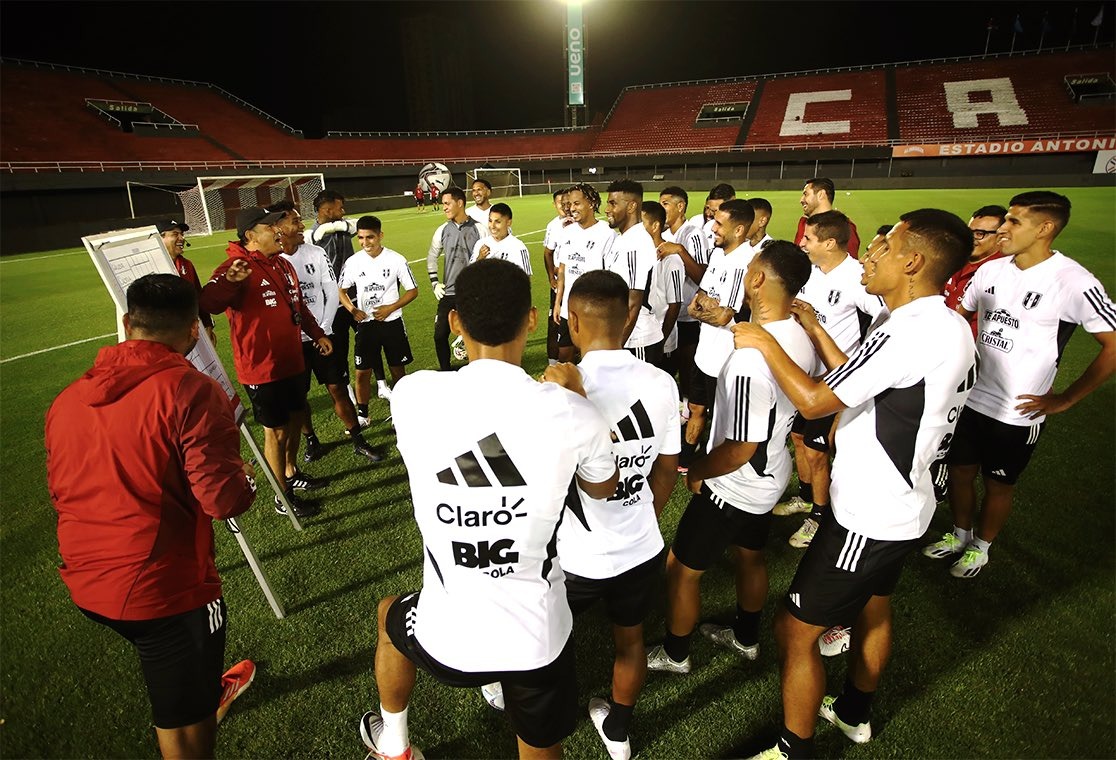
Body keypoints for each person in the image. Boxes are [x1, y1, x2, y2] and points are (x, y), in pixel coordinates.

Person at [735, 209, 975, 759]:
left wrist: (764, 342)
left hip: (870, 513)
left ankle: (793, 749)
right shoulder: (937, 323)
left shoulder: (913, 331)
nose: (870, 255)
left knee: (796, 631)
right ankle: (854, 713)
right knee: (874, 606)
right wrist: (817, 329)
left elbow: (819, 400)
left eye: (884, 248)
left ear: (913, 262)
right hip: (904, 505)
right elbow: (863, 378)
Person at [360, 259, 618, 760]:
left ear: (455, 322)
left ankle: (395, 747)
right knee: (541, 744)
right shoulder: (571, 412)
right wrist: (577, 398)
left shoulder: (413, 395)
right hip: (537, 639)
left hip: (445, 636)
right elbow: (602, 488)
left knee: (390, 614)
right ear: (532, 320)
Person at [46, 273, 257, 759]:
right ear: (192, 332)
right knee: (186, 733)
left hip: (84, 578)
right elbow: (222, 499)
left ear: (126, 323)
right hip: (160, 592)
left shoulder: (67, 398)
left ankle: (198, 688)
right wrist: (242, 477)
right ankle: (195, 699)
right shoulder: (192, 389)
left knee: (176, 672)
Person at [647, 241, 815, 678]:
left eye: (751, 268)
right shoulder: (796, 332)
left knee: (681, 570)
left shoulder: (749, 362)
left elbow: (742, 447)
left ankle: (676, 653)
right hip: (773, 476)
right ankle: (746, 636)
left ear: (757, 279)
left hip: (736, 484)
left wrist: (697, 470)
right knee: (750, 556)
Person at [928, 191, 1116, 578]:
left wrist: (1065, 398)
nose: (1003, 229)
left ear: (1045, 228)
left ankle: (981, 546)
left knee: (999, 484)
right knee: (960, 472)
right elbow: (957, 317)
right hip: (971, 399)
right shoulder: (990, 271)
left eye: (1014, 221)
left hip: (1017, 411)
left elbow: (1112, 343)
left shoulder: (1073, 281)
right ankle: (959, 534)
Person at [543, 269, 679, 760]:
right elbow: (666, 467)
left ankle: (520, 706)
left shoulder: (557, 387)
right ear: (629, 319)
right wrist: (641, 513)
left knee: (549, 639)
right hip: (641, 545)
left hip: (574, 554)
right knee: (631, 639)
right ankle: (619, 732)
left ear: (571, 320)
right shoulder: (663, 382)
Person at [200, 207, 331, 519]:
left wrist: (316, 334)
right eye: (270, 226)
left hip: (292, 360)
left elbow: (298, 306)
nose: (277, 230)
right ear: (251, 236)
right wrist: (230, 282)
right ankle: (282, 497)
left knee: (297, 418)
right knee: (276, 432)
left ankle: (290, 470)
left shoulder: (282, 265)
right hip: (262, 368)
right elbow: (207, 302)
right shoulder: (236, 265)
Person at [779, 210, 885, 552]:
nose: (801, 242)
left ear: (830, 242)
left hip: (834, 382)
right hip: (804, 377)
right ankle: (807, 498)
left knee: (817, 452)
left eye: (808, 238)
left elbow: (882, 322)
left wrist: (856, 375)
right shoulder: (811, 272)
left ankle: (821, 519)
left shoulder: (857, 278)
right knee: (798, 438)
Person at [274, 201, 381, 463]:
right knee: (299, 399)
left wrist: (322, 329)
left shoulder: (315, 252)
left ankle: (358, 439)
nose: (302, 226)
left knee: (338, 387)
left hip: (323, 333)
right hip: (292, 342)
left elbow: (332, 290)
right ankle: (312, 441)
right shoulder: (273, 261)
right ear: (278, 227)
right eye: (295, 221)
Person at [683, 200, 757, 468]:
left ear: (738, 230)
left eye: (719, 224)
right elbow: (698, 300)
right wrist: (704, 311)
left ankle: (719, 463)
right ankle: (688, 454)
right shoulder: (717, 255)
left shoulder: (745, 263)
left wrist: (702, 312)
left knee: (722, 418)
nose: (712, 227)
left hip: (724, 360)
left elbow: (726, 315)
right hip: (705, 352)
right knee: (696, 407)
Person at [339, 215, 418, 417]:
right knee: (362, 371)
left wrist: (390, 308)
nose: (365, 243)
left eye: (370, 237)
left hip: (392, 323)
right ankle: (363, 414)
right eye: (361, 238)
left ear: (380, 235)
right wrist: (352, 309)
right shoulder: (353, 262)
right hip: (366, 325)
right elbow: (341, 290)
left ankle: (402, 411)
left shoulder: (396, 259)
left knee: (397, 370)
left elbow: (412, 291)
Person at [656, 186, 711, 405]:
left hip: (686, 316)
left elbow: (702, 276)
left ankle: (690, 412)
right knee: (665, 369)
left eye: (665, 204)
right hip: (664, 313)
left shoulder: (692, 233)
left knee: (687, 369)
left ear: (681, 206)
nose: (662, 208)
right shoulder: (659, 234)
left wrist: (679, 250)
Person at [604, 179, 663, 364]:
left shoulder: (635, 244)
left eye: (613, 203)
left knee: (639, 394)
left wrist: (614, 349)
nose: (607, 209)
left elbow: (632, 303)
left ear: (631, 207)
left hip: (638, 340)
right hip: (627, 337)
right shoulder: (624, 239)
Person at [554, 183, 613, 363]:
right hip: (568, 308)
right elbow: (563, 269)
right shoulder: (567, 232)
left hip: (592, 309)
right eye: (570, 204)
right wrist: (558, 302)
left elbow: (609, 277)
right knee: (564, 355)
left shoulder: (607, 234)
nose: (572, 209)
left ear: (592, 203)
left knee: (591, 357)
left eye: (577, 204)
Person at [427, 187, 482, 371]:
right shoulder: (442, 230)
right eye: (443, 204)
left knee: (475, 334)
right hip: (449, 293)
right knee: (439, 335)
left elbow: (491, 256)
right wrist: (435, 283)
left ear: (459, 203)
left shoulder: (479, 228)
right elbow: (432, 256)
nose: (444, 207)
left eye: (447, 203)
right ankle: (445, 370)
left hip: (472, 293)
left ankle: (475, 369)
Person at [310, 189, 358, 381]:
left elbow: (356, 226)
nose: (344, 211)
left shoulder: (342, 227)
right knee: (340, 345)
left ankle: (380, 382)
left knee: (368, 339)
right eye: (340, 208)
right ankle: (345, 384)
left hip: (354, 296)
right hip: (332, 303)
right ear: (328, 211)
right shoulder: (312, 238)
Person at [941, 205, 1008, 336]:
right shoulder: (953, 261)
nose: (971, 240)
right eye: (969, 232)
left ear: (1000, 236)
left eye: (979, 234)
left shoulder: (1001, 275)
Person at [157, 218, 216, 345]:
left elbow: (198, 297)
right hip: (163, 337)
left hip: (190, 336)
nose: (181, 238)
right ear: (160, 239)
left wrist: (208, 325)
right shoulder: (151, 268)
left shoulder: (187, 265)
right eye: (175, 234)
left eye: (181, 234)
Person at [642, 201, 684, 370]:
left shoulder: (671, 260)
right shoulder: (641, 253)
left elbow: (675, 304)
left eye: (640, 223)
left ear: (655, 226)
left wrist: (662, 340)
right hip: (643, 336)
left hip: (661, 341)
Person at [543, 189, 574, 365]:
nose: (564, 206)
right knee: (555, 322)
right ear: (555, 205)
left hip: (576, 282)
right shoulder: (553, 225)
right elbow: (548, 253)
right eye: (560, 202)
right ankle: (553, 363)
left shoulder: (577, 222)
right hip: (560, 283)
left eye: (567, 202)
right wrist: (551, 278)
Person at [794, 178, 860, 260]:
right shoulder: (803, 224)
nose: (801, 200)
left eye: (806, 194)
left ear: (821, 194)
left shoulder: (844, 227)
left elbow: (849, 265)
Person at [472, 202, 532, 274]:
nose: (492, 226)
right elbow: (469, 275)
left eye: (497, 222)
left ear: (508, 223)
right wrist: (480, 258)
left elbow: (524, 280)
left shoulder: (518, 247)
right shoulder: (480, 244)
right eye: (490, 221)